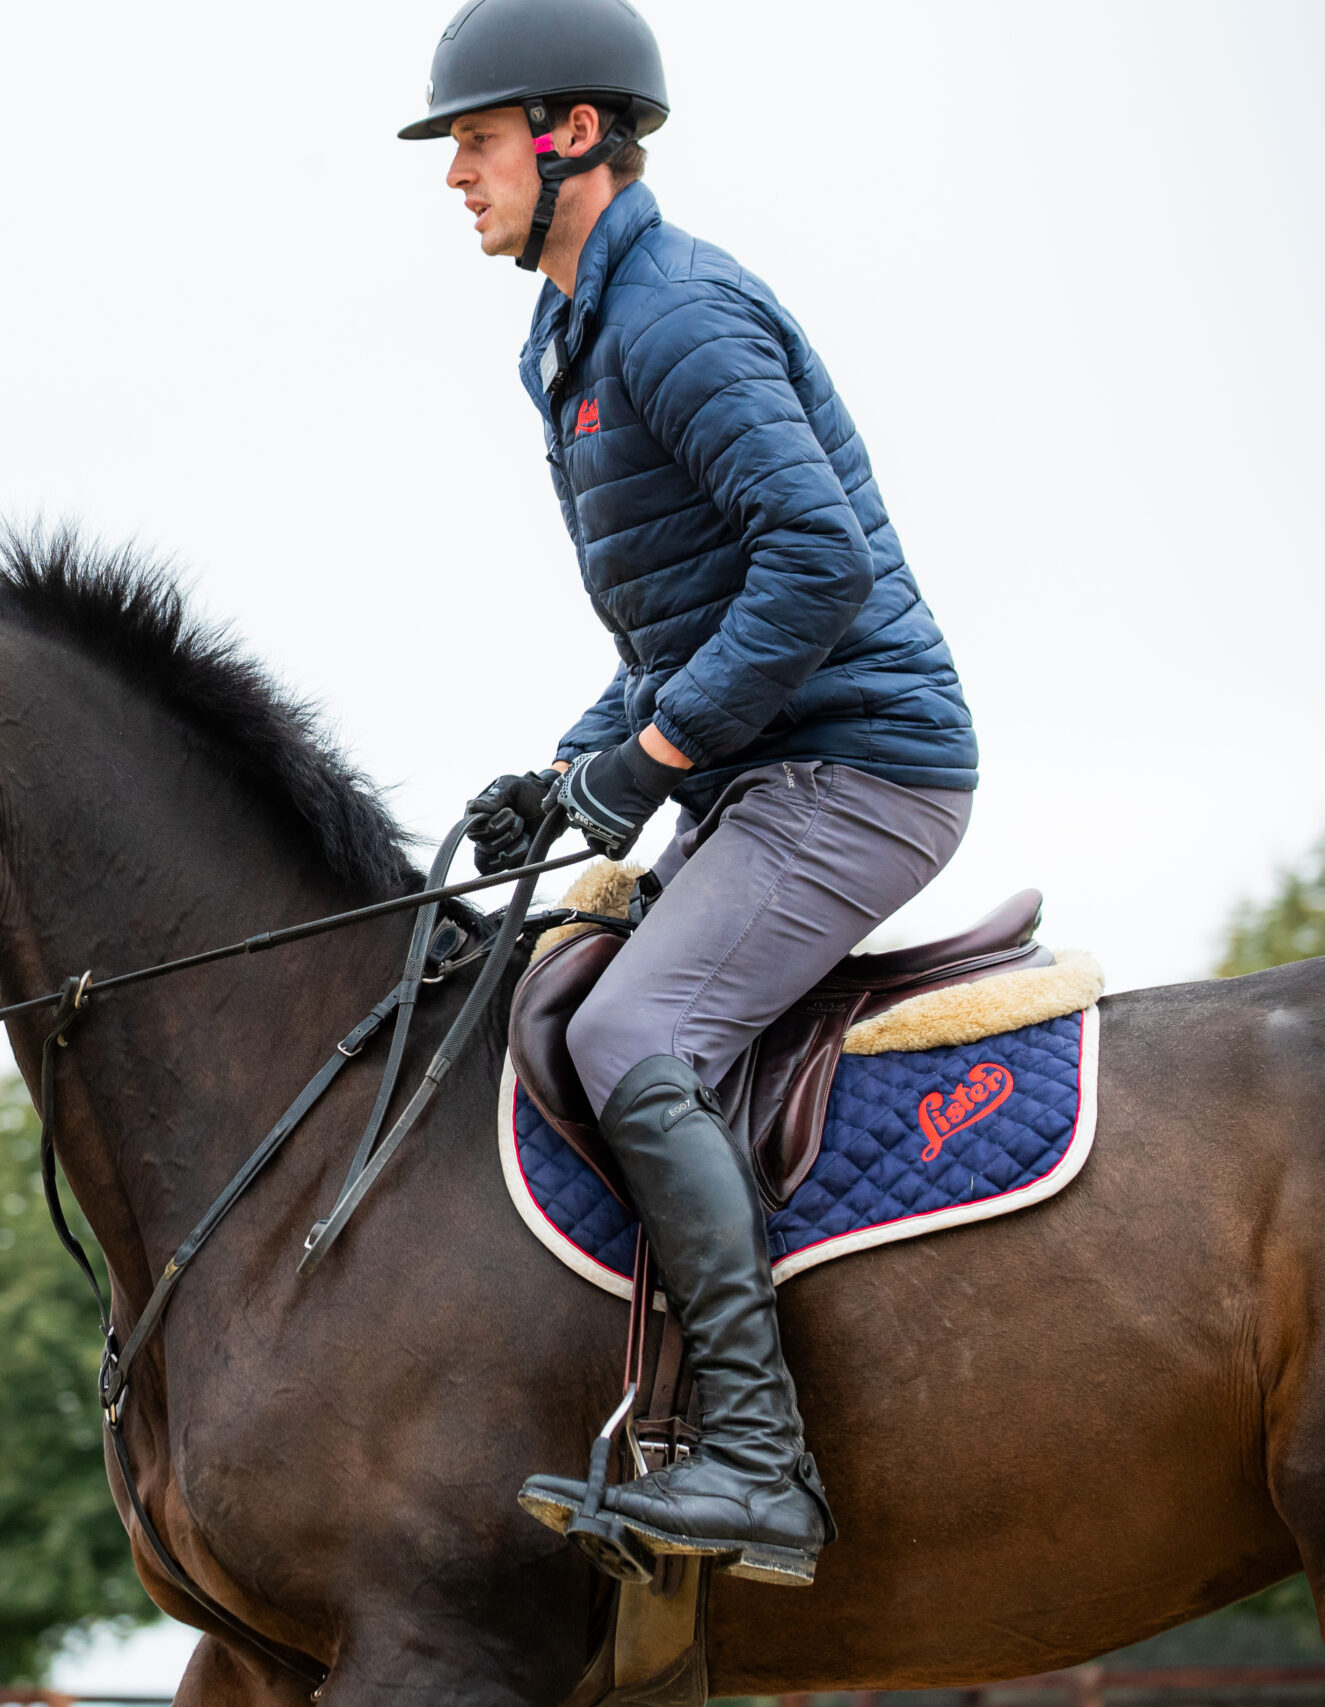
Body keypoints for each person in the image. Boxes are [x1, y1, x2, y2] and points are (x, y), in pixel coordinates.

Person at [401, 0, 979, 1585]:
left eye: (473, 139)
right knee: (550, 991)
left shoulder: (680, 314)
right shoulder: (569, 338)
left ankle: (762, 1469)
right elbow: (677, 623)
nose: (454, 175)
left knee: (633, 1032)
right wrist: (575, 769)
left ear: (570, 132)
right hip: (762, 772)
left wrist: (645, 767)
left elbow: (814, 563)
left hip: (860, 769)